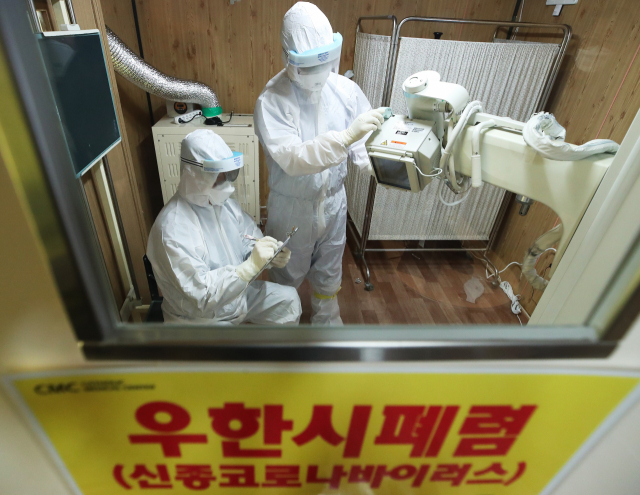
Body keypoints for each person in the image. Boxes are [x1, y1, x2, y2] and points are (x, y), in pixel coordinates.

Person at [254, 2, 384, 325]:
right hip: (292, 209)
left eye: (322, 63)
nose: (318, 74)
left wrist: (377, 162)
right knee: (285, 274)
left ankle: (327, 322)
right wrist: (344, 139)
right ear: (288, 59)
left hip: (334, 204)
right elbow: (294, 158)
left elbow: (364, 139)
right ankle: (284, 325)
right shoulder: (272, 101)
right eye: (308, 66)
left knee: (329, 271)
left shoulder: (344, 91)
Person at [147, 129, 302, 325]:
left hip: (236, 295)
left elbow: (248, 239)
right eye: (217, 176)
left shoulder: (224, 206)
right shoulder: (172, 229)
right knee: (231, 346)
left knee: (289, 302)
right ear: (193, 175)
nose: (226, 184)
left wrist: (268, 256)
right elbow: (202, 296)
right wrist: (249, 268)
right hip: (199, 319)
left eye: (228, 174)